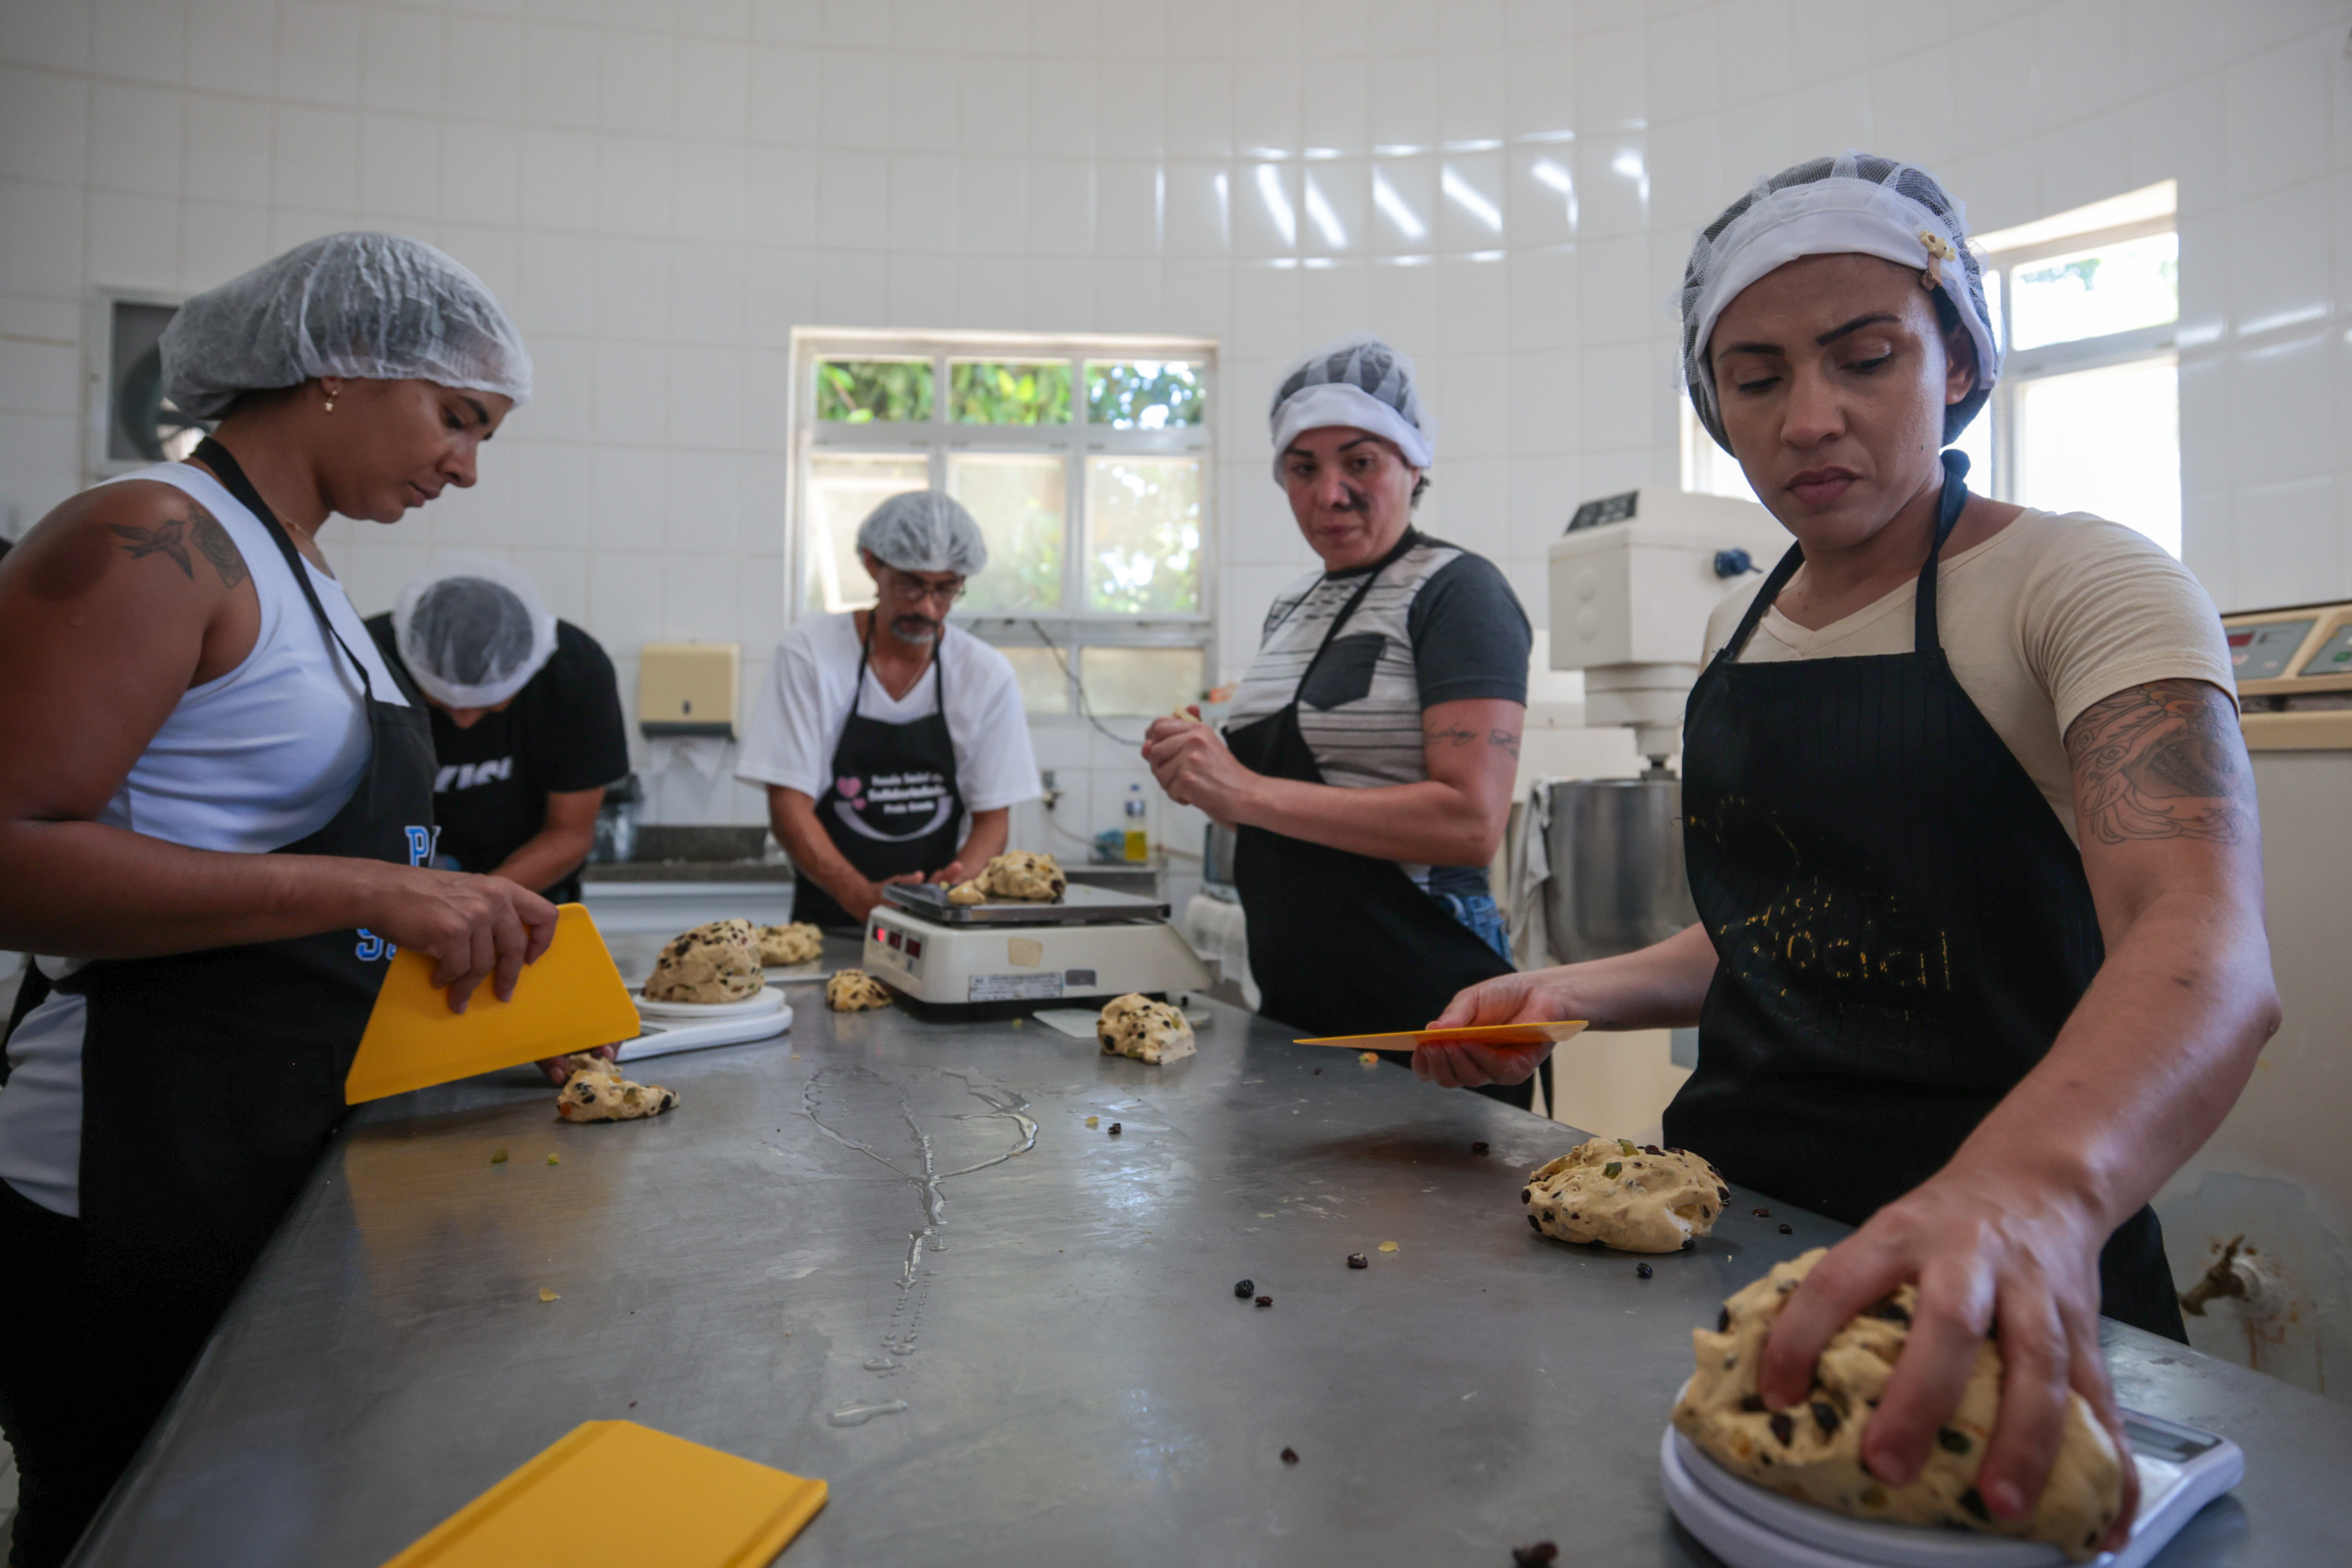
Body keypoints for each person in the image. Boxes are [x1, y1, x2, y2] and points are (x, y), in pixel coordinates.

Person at [1425, 154, 2278, 1548]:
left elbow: (2206, 946)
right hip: (1740, 1243)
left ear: (1955, 363)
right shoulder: (1737, 628)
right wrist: (1579, 988)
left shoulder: (2086, 586)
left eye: (1864, 356)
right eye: (1756, 380)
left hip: (2013, 1279)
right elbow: (1801, 922)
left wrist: (2030, 1197)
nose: (1809, 418)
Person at [0, 233, 551, 1567]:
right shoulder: (147, 537)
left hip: (266, 1138)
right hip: (129, 1161)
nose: (468, 465)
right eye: (456, 417)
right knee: (125, 1529)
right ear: (337, 369)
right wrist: (372, 886)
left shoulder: (298, 571)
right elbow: (12, 853)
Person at [1142, 334, 1538, 1106]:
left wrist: (1243, 792)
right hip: (1298, 1006)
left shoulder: (1459, 591)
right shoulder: (1291, 608)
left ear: (1414, 462)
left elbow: (1468, 822)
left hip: (1428, 1015)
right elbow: (1277, 789)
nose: (1330, 493)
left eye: (1360, 461)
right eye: (1304, 467)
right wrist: (1196, 764)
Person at [738, 492, 1040, 931]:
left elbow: (993, 819)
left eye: (945, 589)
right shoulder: (811, 654)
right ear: (872, 564)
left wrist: (953, 890)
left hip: (937, 925)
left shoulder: (985, 674)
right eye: (911, 584)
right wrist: (860, 896)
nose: (926, 607)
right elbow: (788, 803)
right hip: (830, 925)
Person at [365, 555, 630, 907]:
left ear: (526, 671)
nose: (465, 722)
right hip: (381, 905)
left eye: (488, 705)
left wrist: (471, 902)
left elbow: (569, 833)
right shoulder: (366, 659)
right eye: (442, 704)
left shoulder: (575, 672)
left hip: (524, 898)